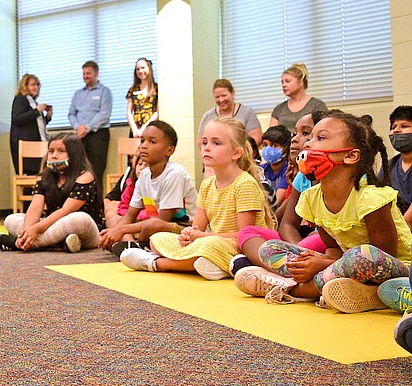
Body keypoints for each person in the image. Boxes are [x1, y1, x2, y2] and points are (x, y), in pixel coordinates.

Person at [234, 112, 412, 313]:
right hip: (342, 266)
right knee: (269, 248)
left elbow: (383, 254)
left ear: (351, 155)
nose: (308, 144)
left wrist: (321, 264)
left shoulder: (371, 198)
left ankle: (294, 289)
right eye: (310, 138)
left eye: (320, 138)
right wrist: (314, 261)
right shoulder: (312, 197)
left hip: (397, 269)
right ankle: (332, 287)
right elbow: (333, 249)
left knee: (361, 256)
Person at [120, 117, 274, 280]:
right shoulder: (207, 185)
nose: (207, 148)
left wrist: (201, 237)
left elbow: (244, 237)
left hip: (238, 246)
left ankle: (157, 264)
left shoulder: (245, 184)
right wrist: (188, 234)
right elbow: (197, 228)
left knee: (209, 246)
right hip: (211, 242)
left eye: (216, 143)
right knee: (158, 239)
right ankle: (214, 265)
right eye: (205, 142)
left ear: (236, 153)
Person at [232, 111, 329, 275]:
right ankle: (290, 267)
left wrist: (294, 251)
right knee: (247, 232)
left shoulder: (344, 179)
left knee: (317, 237)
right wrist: (296, 249)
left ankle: (278, 270)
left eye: (305, 133)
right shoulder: (302, 177)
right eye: (295, 133)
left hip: (326, 242)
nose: (295, 139)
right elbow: (285, 223)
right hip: (300, 245)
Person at [0, 133, 103, 253]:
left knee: (79, 219)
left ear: (74, 154)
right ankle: (56, 243)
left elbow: (66, 211)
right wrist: (28, 229)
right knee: (11, 219)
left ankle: (16, 243)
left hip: (84, 230)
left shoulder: (85, 176)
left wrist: (36, 229)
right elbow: (35, 207)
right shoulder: (44, 177)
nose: (54, 156)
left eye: (61, 151)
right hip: (53, 225)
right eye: (51, 151)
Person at [99, 121, 197, 256]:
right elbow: (130, 215)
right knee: (115, 219)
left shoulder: (174, 174)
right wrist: (111, 233)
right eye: (142, 141)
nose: (144, 146)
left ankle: (139, 248)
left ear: (169, 150)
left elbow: (162, 220)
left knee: (152, 225)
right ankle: (132, 246)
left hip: (184, 228)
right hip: (156, 226)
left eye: (152, 142)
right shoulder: (144, 175)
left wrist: (121, 231)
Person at [68, 61, 112, 179]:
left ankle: (96, 198)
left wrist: (87, 128)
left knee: (96, 171)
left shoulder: (105, 91)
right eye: (84, 73)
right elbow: (71, 113)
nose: (85, 76)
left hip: (97, 135)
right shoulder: (78, 93)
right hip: (80, 136)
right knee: (79, 171)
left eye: (88, 73)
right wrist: (78, 127)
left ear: (96, 73)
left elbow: (104, 113)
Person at [197, 79, 262, 147]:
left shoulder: (247, 112)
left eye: (224, 95)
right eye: (217, 97)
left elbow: (256, 139)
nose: (221, 100)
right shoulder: (208, 116)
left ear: (232, 93)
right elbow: (200, 142)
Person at [10, 73, 52, 175]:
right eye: (33, 84)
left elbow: (35, 125)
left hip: (35, 143)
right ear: (25, 85)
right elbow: (18, 119)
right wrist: (37, 111)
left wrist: (48, 117)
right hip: (25, 144)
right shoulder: (21, 99)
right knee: (32, 173)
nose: (36, 87)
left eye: (37, 85)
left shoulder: (33, 102)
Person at [269, 63, 328, 131]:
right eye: (282, 82)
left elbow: (324, 131)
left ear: (300, 82)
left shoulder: (317, 105)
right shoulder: (279, 109)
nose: (284, 85)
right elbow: (271, 135)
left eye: (287, 81)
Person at [384, 105, 412, 229]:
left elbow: (408, 223)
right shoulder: (390, 166)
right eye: (393, 127)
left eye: (404, 126)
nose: (396, 130)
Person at [260, 125, 292, 209]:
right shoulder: (261, 170)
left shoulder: (289, 170)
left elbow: (277, 202)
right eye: (265, 145)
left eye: (274, 145)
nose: (268, 149)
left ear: (286, 147)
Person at [126, 58, 158, 138]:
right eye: (138, 69)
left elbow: (157, 112)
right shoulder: (133, 89)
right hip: (135, 130)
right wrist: (135, 130)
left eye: (143, 68)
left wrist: (143, 129)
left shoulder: (156, 88)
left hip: (151, 127)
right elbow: (129, 112)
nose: (140, 71)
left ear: (149, 68)